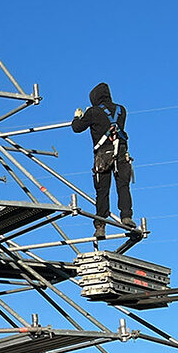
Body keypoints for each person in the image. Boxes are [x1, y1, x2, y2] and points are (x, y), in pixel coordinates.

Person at [71, 82, 133, 238]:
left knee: (102, 191)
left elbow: (77, 128)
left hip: (103, 155)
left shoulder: (93, 112)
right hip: (121, 152)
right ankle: (126, 217)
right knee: (123, 186)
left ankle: (100, 225)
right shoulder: (121, 110)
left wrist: (78, 116)